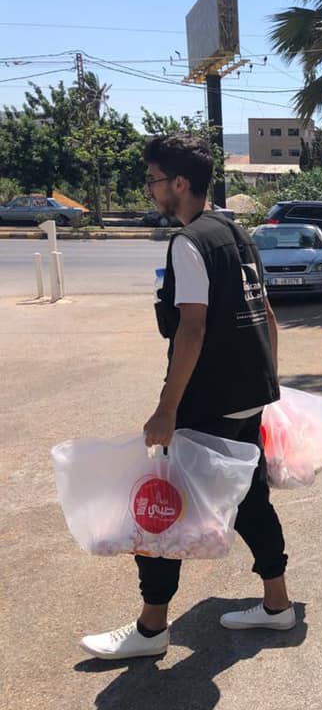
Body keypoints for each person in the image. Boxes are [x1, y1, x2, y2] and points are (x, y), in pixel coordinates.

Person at [80, 133, 294, 660]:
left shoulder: (190, 242)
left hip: (211, 401)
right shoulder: (236, 232)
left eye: (153, 180)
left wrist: (166, 410)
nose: (150, 189)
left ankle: (151, 631)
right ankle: (277, 604)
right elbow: (267, 315)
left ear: (179, 183)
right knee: (250, 499)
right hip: (248, 395)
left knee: (162, 508)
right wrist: (270, 384)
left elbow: (191, 330)